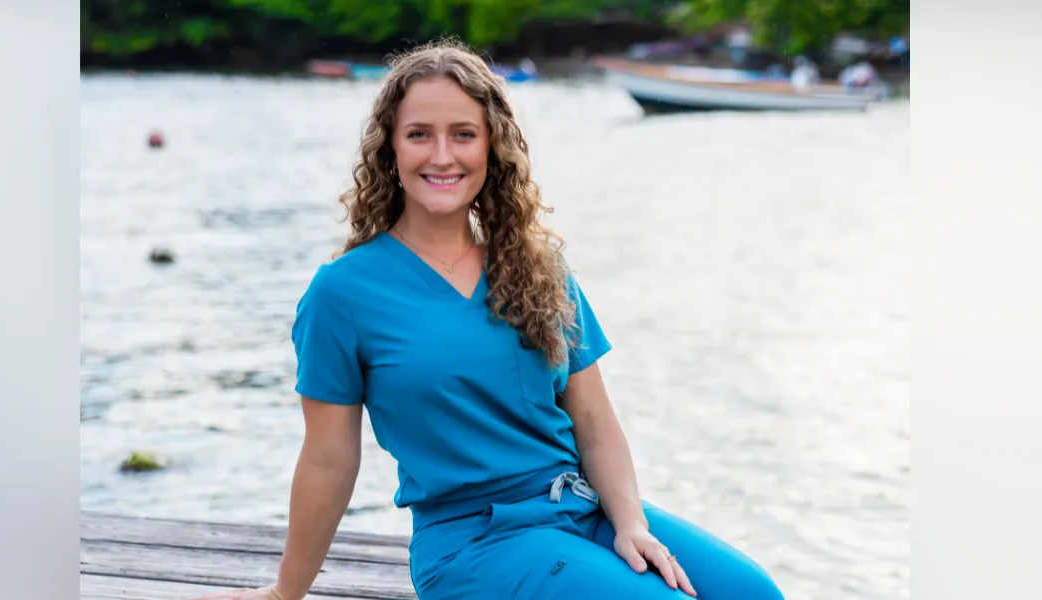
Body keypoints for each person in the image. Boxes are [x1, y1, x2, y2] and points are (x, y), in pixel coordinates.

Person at [195, 39, 785, 600]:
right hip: (476, 541)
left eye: (463, 134)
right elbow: (328, 458)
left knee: (754, 593)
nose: (442, 155)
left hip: (583, 508)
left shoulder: (537, 265)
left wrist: (629, 523)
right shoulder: (344, 292)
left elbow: (593, 417)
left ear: (491, 148)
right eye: (420, 134)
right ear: (390, 149)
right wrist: (286, 590)